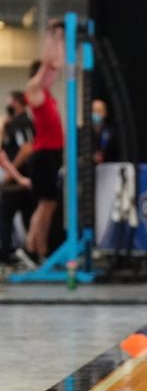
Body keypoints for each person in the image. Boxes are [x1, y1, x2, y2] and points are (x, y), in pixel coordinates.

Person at [24, 21, 65, 262]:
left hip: (52, 154)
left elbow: (56, 64)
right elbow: (48, 64)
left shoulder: (46, 93)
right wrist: (49, 34)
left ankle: (41, 252)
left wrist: (59, 37)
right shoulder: (33, 90)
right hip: (42, 155)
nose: (51, 74)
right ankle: (31, 248)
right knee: (44, 205)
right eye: (46, 73)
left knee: (49, 206)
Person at [0, 91, 36, 266]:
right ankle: (31, 253)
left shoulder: (18, 124)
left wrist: (13, 175)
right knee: (27, 215)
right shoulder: (24, 123)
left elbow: (26, 149)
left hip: (17, 180)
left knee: (7, 216)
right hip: (23, 177)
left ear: (17, 102)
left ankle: (7, 255)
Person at [91, 98, 119, 164]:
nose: (96, 114)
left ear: (105, 113)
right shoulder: (83, 133)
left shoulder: (111, 132)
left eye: (99, 111)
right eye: (93, 111)